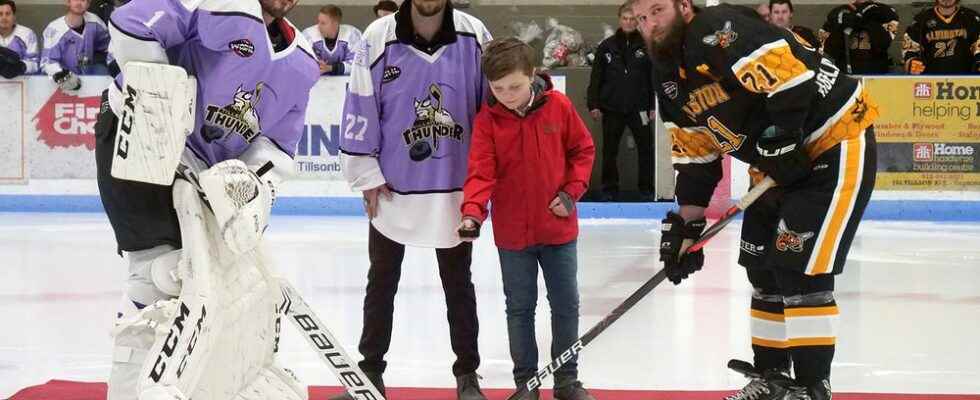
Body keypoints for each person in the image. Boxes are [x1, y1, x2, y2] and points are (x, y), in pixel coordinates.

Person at [632, 0, 879, 398]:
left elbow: (790, 78)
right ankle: (772, 379)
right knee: (762, 268)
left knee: (800, 270)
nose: (650, 24)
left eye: (657, 10)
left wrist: (782, 140)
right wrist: (686, 225)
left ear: (683, 5)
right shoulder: (666, 70)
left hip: (834, 140)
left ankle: (812, 386)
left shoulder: (719, 28)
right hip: (776, 163)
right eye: (641, 18)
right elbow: (696, 153)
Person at [97, 0, 318, 398]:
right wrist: (162, 108)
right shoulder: (221, 3)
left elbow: (276, 149)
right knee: (158, 275)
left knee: (212, 289)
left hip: (202, 176)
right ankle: (128, 392)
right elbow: (131, 24)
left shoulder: (301, 64)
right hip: (137, 142)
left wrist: (248, 189)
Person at [336, 0, 492, 399]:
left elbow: (495, 102)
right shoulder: (378, 36)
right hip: (391, 187)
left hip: (456, 188)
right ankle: (370, 371)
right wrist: (365, 172)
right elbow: (359, 101)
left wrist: (486, 181)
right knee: (381, 281)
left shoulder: (474, 34)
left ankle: (467, 374)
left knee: (458, 284)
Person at [460, 38, 596, 400]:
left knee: (565, 304)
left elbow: (582, 150)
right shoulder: (488, 121)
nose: (507, 95)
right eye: (498, 88)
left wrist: (571, 193)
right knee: (519, 308)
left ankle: (567, 382)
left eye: (515, 86)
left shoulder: (559, 107)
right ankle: (527, 384)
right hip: (513, 235)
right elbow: (480, 172)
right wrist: (472, 212)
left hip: (558, 230)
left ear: (533, 75)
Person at [587, 1, 656, 202]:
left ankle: (646, 189)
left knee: (646, 149)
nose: (628, 22)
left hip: (640, 108)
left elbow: (653, 78)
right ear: (620, 20)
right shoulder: (606, 46)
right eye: (625, 18)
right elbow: (596, 78)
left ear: (638, 20)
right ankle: (609, 189)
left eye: (632, 19)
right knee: (609, 150)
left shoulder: (647, 44)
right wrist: (594, 104)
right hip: (611, 108)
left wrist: (652, 105)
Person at [41, 0, 110, 91]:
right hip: (64, 79)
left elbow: (107, 47)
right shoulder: (54, 29)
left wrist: (99, 59)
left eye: (83, 0)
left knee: (102, 71)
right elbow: (47, 62)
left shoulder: (95, 21)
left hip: (89, 74)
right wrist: (60, 74)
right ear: (68, 2)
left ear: (88, 4)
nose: (79, 3)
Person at [819, 0, 899, 74]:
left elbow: (883, 44)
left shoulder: (886, 11)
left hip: (877, 74)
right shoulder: (838, 13)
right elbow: (828, 51)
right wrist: (854, 19)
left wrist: (861, 17)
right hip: (845, 74)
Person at [902, 0, 980, 74]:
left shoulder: (972, 18)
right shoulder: (921, 20)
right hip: (930, 79)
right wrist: (911, 62)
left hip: (967, 79)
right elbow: (910, 49)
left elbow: (978, 46)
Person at [302, 4, 362, 76]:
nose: (319, 26)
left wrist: (331, 68)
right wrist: (315, 64)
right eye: (318, 22)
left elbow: (358, 65)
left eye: (323, 23)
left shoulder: (352, 35)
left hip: (344, 81)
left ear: (335, 24)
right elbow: (302, 61)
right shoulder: (309, 35)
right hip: (317, 81)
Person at [0, 0, 39, 78]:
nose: (4, 17)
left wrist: (20, 67)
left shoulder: (27, 34)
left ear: (14, 16)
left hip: (21, 85)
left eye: (8, 14)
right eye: (0, 14)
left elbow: (35, 64)